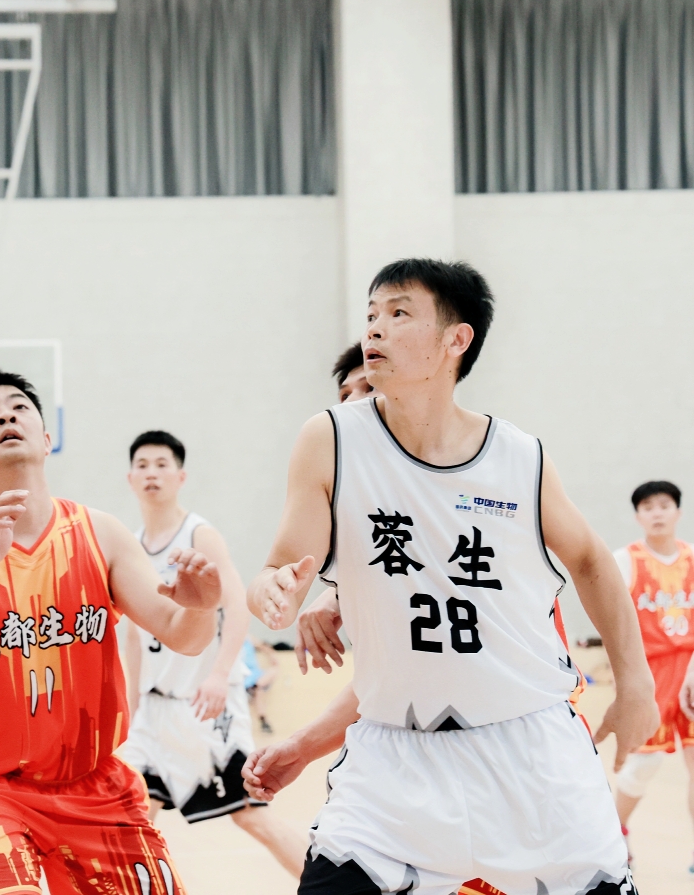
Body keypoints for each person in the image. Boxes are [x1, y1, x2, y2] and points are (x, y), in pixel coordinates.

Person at [246, 258, 655, 895]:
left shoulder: (519, 457)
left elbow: (591, 561)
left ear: (455, 340)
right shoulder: (330, 438)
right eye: (371, 314)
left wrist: (636, 685)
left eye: (398, 313)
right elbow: (280, 567)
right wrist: (273, 590)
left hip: (530, 750)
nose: (375, 328)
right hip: (393, 762)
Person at [0, 370, 223, 895]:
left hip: (94, 785)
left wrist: (202, 607)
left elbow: (181, 633)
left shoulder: (100, 533)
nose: (5, 414)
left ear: (47, 439)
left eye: (18, 406)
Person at [117, 429, 306, 877]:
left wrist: (220, 674)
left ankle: (333, 888)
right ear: (130, 478)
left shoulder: (199, 534)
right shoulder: (130, 546)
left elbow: (237, 606)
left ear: (180, 477)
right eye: (142, 465)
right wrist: (132, 703)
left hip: (204, 706)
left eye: (161, 464)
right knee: (131, 817)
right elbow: (132, 634)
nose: (151, 473)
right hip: (154, 712)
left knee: (252, 816)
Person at [612, 481, 694, 865]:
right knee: (644, 763)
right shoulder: (625, 560)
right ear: (638, 516)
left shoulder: (692, 558)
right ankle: (615, 831)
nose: (657, 512)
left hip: (692, 668)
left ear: (678, 512)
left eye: (664, 505)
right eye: (648, 506)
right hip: (650, 672)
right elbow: (611, 622)